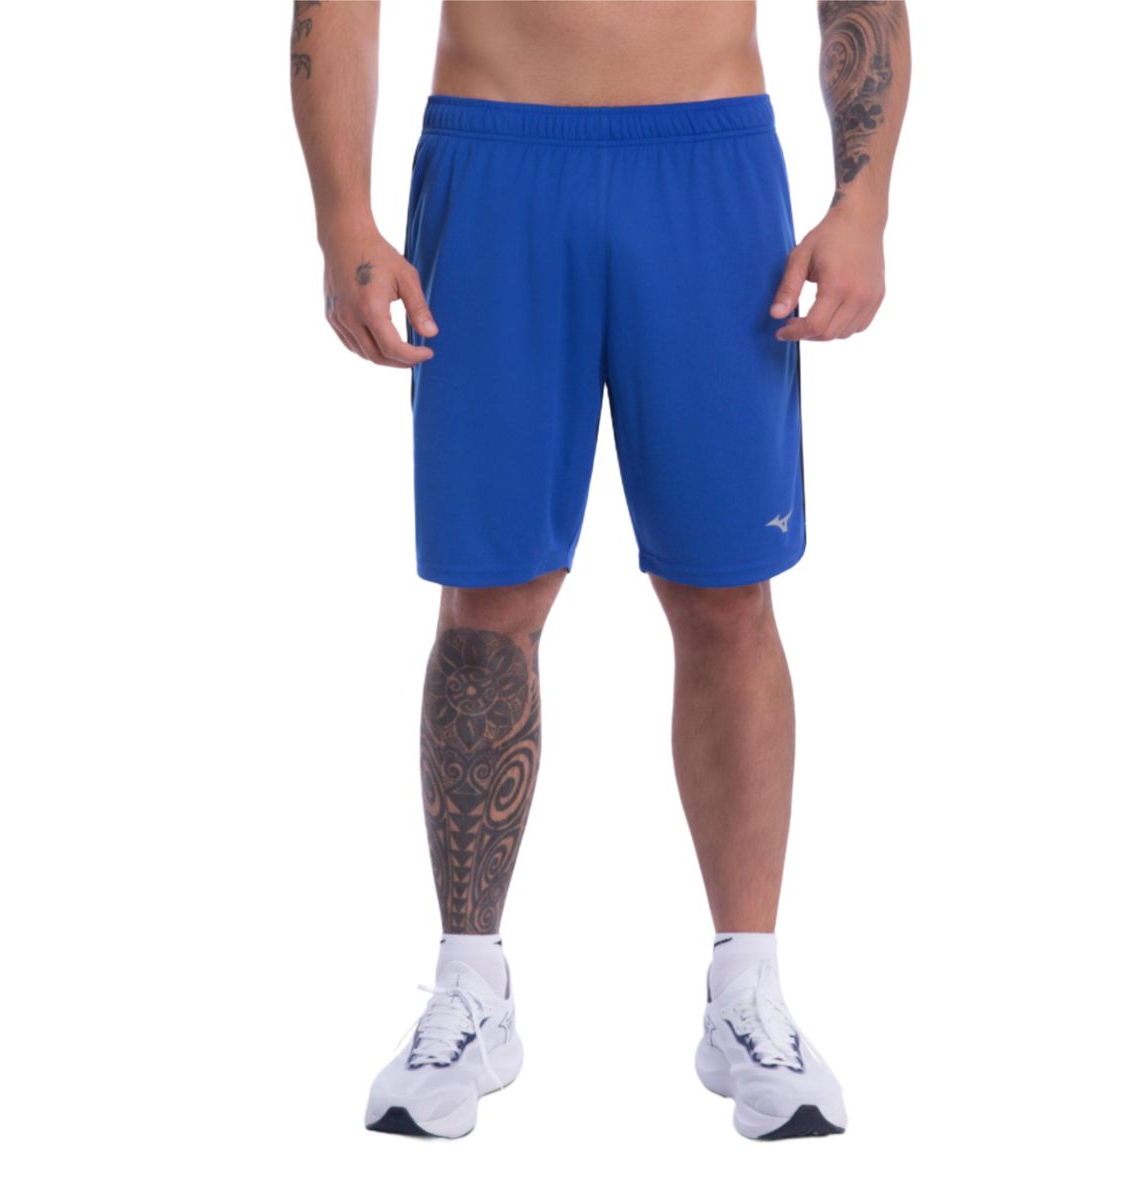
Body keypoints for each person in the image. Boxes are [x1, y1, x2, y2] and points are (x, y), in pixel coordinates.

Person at [291, 0, 909, 1141]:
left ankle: (748, 991)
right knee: (490, 596)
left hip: (709, 164)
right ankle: (470, 986)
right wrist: (343, 218)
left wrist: (861, 200)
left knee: (727, 594)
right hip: (497, 156)